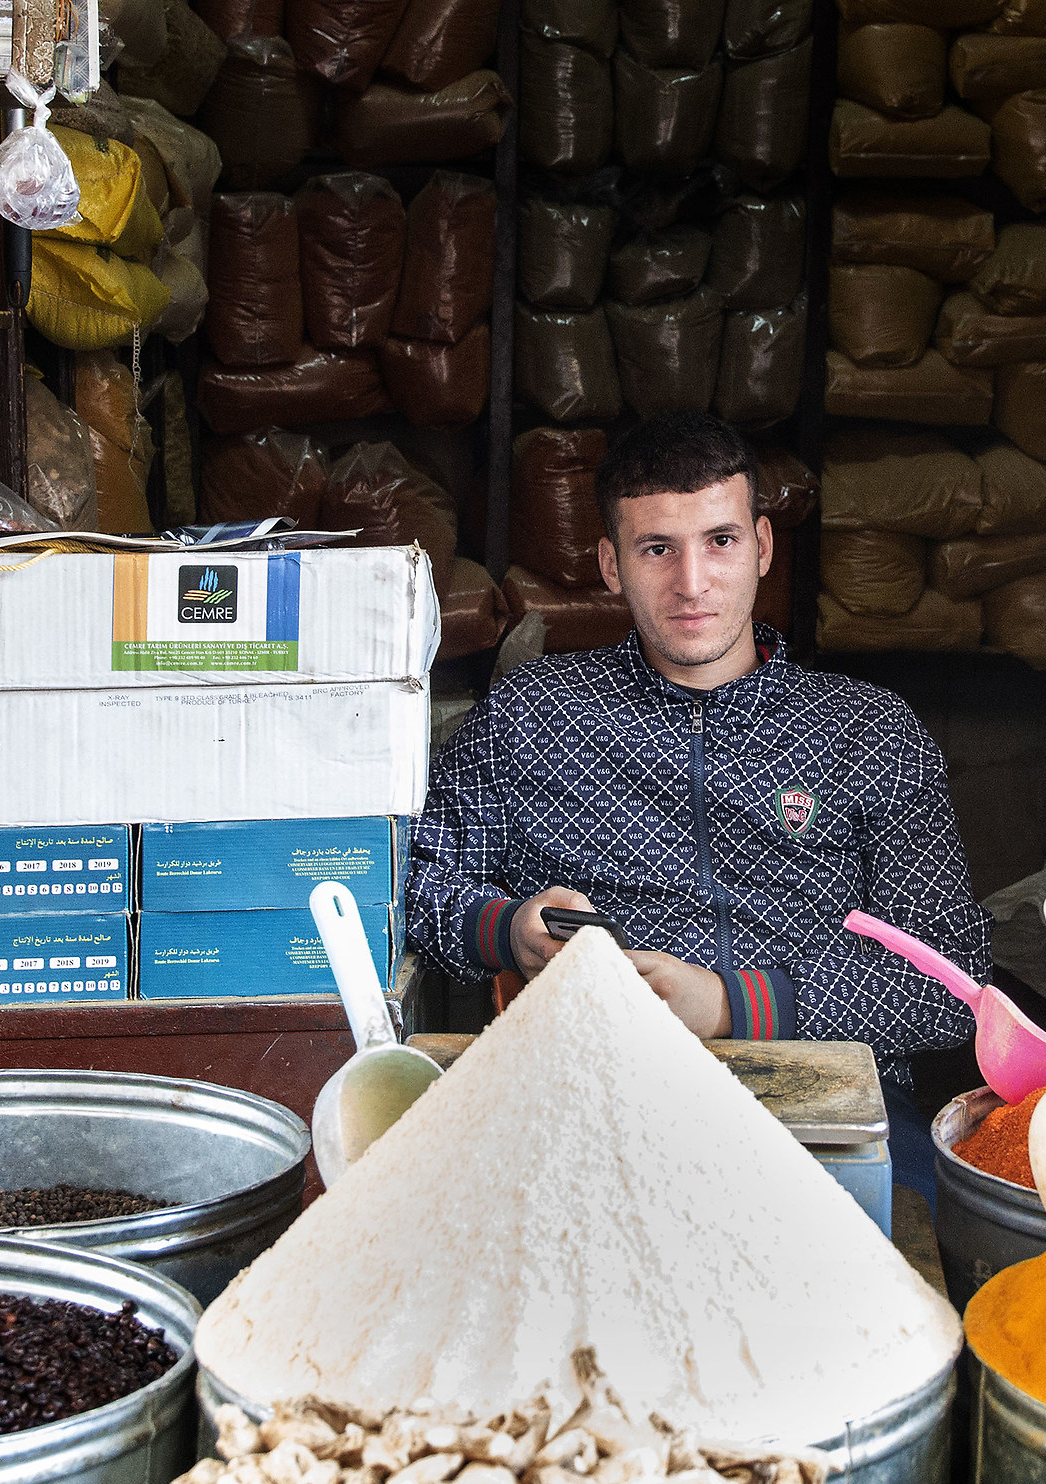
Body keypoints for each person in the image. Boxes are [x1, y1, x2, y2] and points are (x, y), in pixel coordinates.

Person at [404, 411, 992, 1203]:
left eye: (720, 541)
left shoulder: (868, 731)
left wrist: (728, 1004)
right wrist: (508, 927)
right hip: (590, 1104)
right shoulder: (533, 716)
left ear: (763, 547)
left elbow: (949, 982)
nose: (692, 583)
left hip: (828, 1109)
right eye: (657, 549)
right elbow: (413, 887)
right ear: (610, 564)